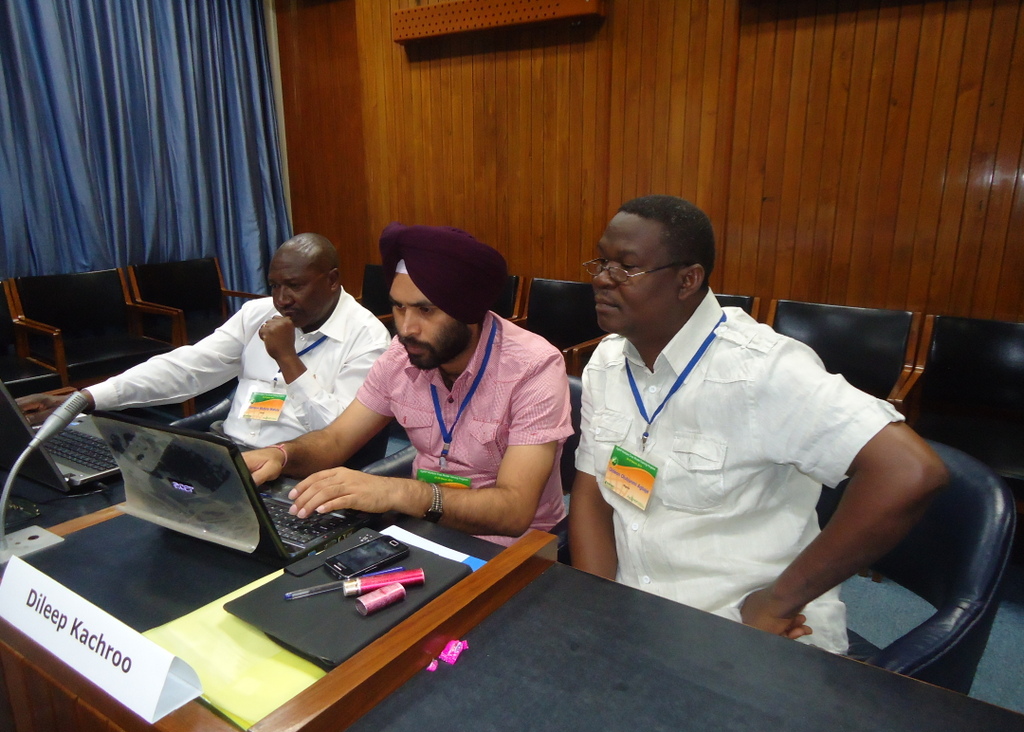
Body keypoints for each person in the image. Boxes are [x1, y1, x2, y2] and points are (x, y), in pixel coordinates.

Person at [569, 195, 947, 653]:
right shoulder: (608, 362)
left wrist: (777, 603)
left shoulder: (761, 370)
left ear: (687, 280)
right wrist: (597, 607)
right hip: (639, 614)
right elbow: (592, 493)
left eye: (626, 268)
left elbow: (910, 471)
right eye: (602, 262)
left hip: (743, 626)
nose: (601, 279)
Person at [245, 222, 573, 546]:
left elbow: (514, 512)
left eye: (425, 310)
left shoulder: (534, 367)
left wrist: (398, 492)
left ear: (468, 311)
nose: (406, 328)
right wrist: (281, 455)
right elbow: (335, 440)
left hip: (512, 549)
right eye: (399, 307)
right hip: (424, 529)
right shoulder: (400, 356)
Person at [19, 233, 391, 449]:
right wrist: (86, 398)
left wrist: (288, 360)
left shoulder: (366, 337)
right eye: (274, 286)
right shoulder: (257, 314)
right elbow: (188, 368)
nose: (281, 300)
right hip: (229, 454)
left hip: (298, 470)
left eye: (294, 286)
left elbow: (339, 436)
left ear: (332, 280)